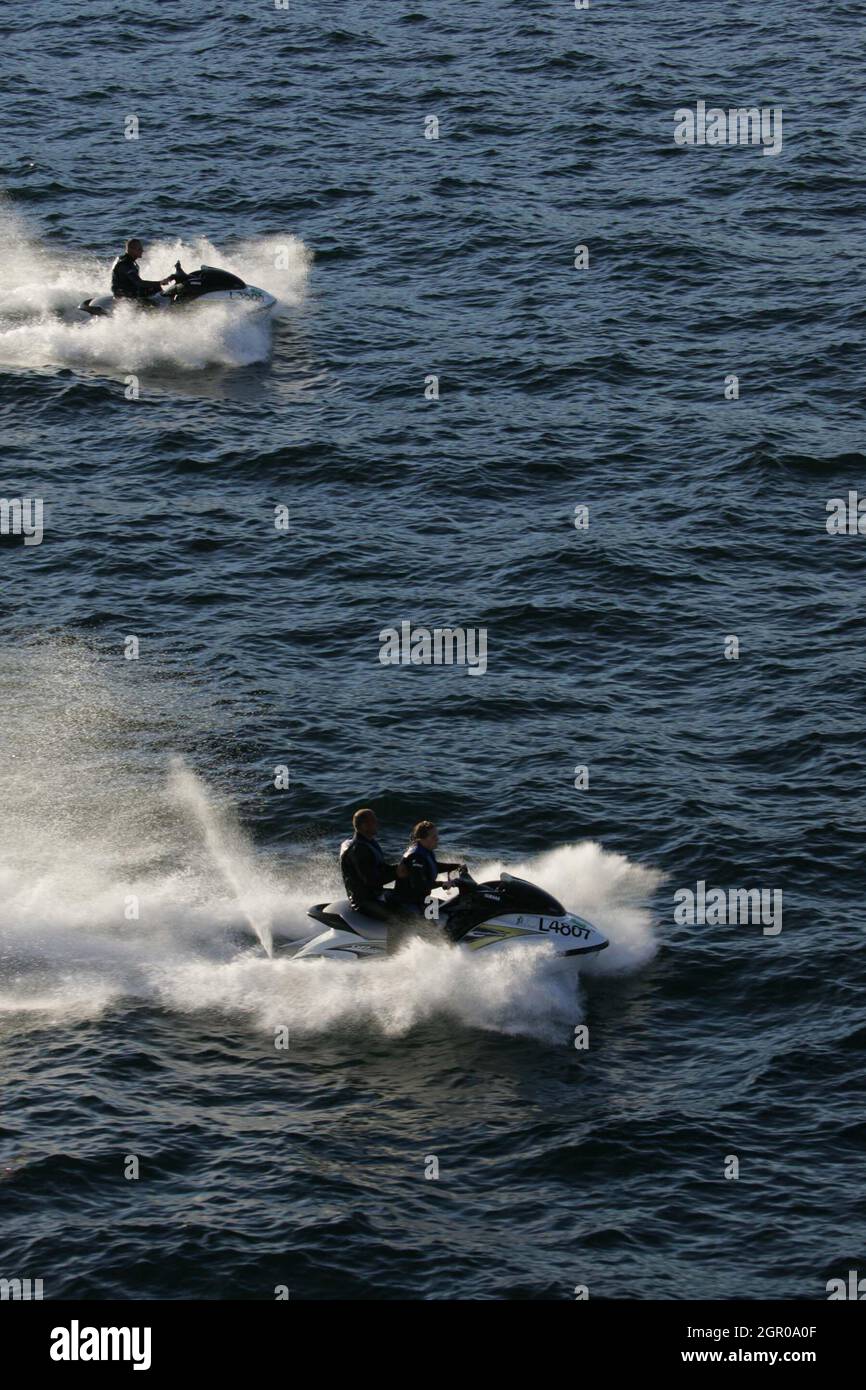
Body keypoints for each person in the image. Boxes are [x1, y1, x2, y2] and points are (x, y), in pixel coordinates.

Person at [339, 808, 407, 923]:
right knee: (399, 920)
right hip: (364, 902)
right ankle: (395, 941)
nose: (377, 823)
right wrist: (397, 873)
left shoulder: (370, 843)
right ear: (364, 826)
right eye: (374, 821)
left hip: (376, 895)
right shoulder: (358, 850)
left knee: (408, 901)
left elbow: (381, 869)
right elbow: (371, 880)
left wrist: (401, 867)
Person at [393, 820, 465, 917]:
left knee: (453, 908)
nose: (437, 839)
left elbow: (432, 866)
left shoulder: (424, 850)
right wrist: (442, 884)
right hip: (408, 903)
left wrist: (455, 866)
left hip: (420, 899)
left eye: (437, 836)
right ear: (423, 839)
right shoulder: (416, 857)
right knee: (438, 921)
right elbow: (419, 884)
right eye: (434, 837)